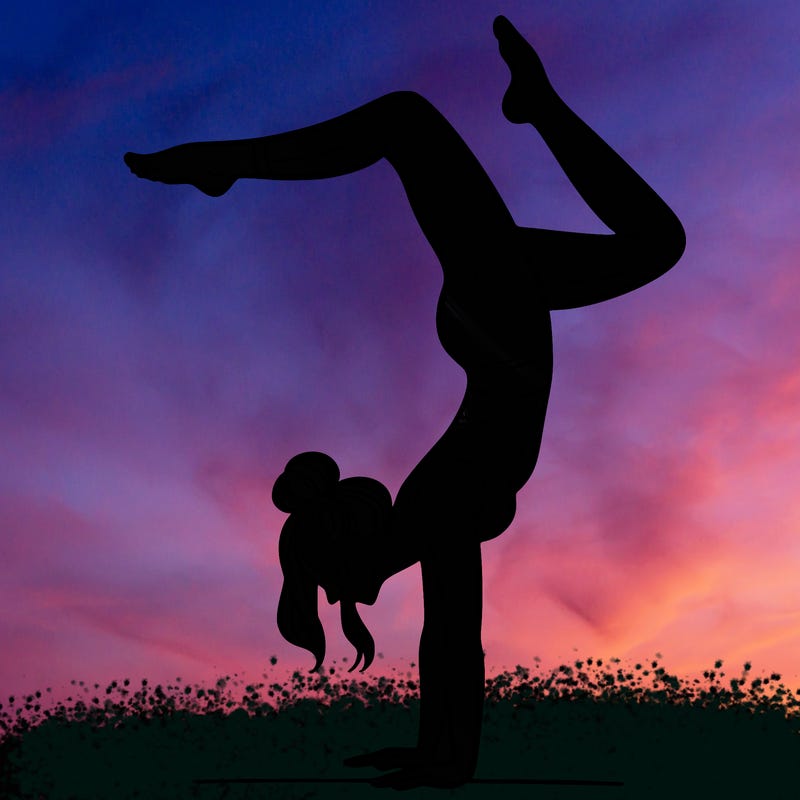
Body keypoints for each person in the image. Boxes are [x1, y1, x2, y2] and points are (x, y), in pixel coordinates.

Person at [125, 15, 685, 789]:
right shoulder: (435, 502)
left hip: (500, 307)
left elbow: (447, 632)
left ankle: (231, 162)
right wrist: (444, 760)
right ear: (353, 561)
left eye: (348, 506)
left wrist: (441, 755)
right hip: (501, 306)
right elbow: (453, 632)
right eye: (351, 520)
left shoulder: (428, 499)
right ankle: (535, 107)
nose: (363, 494)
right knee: (411, 124)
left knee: (415, 126)